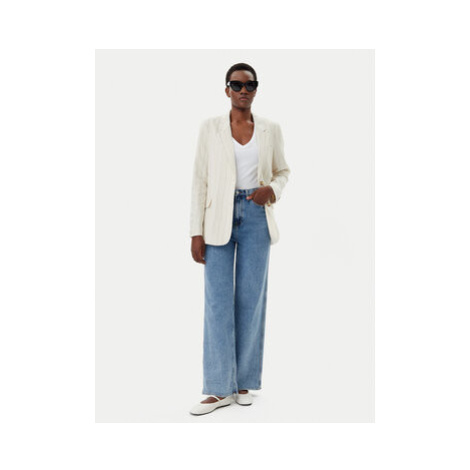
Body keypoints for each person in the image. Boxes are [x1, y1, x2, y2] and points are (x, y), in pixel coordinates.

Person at [189, 63, 291, 416]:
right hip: (217, 218)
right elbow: (199, 180)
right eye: (236, 85)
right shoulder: (210, 128)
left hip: (256, 216)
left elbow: (283, 171)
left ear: (256, 89)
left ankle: (244, 383)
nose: (243, 90)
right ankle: (219, 388)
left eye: (249, 85)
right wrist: (196, 231)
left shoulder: (270, 129)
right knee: (217, 303)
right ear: (227, 89)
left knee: (251, 300)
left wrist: (271, 189)